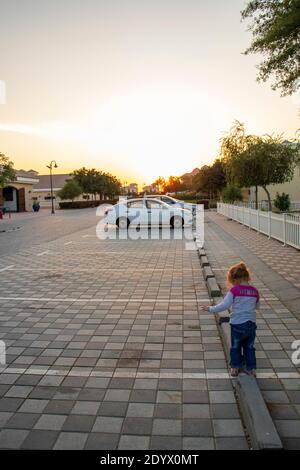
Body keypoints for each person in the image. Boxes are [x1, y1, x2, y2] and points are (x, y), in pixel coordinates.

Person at [201, 262, 259, 377]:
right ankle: (251, 369)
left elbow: (224, 305)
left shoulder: (234, 291)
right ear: (247, 276)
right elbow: (257, 306)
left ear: (234, 279)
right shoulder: (255, 291)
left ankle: (235, 368)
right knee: (249, 347)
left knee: (236, 347)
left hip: (237, 324)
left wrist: (210, 309)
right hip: (251, 325)